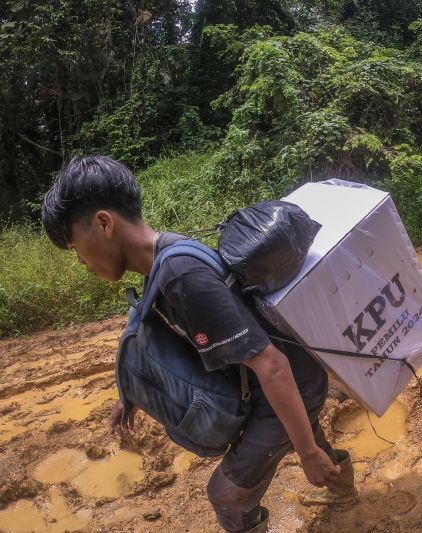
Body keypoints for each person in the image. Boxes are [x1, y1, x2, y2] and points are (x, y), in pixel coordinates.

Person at [41, 156, 356, 533]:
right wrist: (130, 398)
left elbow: (271, 366)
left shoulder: (180, 274)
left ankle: (310, 486)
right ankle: (343, 492)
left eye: (76, 248)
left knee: (226, 494)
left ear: (104, 223)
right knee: (306, 433)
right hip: (284, 383)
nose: (82, 262)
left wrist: (305, 455)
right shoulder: (166, 262)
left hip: (284, 388)